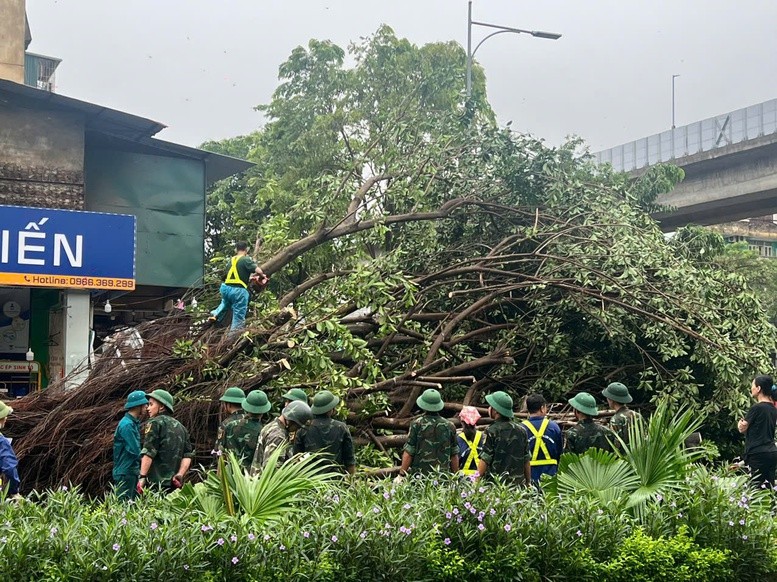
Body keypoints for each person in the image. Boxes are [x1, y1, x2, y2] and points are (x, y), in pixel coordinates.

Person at [138, 389, 194, 494]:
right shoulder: (182, 428)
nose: (148, 408)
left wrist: (142, 476)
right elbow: (187, 455)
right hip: (174, 485)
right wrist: (180, 474)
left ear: (162, 407)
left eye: (151, 404)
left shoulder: (154, 423)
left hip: (155, 483)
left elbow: (148, 452)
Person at [209, 241, 267, 333]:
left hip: (225, 289)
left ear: (236, 249)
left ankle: (215, 313)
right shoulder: (246, 259)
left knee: (225, 303)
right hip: (238, 292)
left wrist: (249, 278)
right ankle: (231, 340)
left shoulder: (231, 260)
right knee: (238, 317)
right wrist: (263, 276)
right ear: (246, 249)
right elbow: (258, 270)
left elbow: (233, 276)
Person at [399, 389, 459, 477]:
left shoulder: (417, 424)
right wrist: (455, 476)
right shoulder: (450, 426)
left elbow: (409, 452)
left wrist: (401, 474)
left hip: (419, 478)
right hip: (442, 478)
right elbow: (454, 454)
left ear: (423, 405)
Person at [294, 390, 356, 475]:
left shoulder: (303, 429)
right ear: (330, 410)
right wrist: (351, 482)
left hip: (309, 481)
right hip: (335, 480)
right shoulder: (341, 428)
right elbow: (349, 460)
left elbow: (296, 459)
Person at [477, 391, 531, 484]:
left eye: (491, 406)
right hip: (517, 486)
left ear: (496, 410)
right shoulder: (521, 431)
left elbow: (485, 459)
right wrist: (528, 482)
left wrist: (476, 482)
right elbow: (526, 460)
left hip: (497, 486)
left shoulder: (491, 431)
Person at [251, 399, 312, 475]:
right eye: (297, 426)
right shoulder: (278, 436)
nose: (297, 429)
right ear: (290, 421)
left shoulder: (272, 426)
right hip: (268, 485)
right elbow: (271, 471)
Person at [737, 375, 777, 488]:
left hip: (757, 454)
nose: (751, 388)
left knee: (755, 489)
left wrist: (739, 424)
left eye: (752, 386)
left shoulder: (757, 408)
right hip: (772, 452)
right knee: (769, 487)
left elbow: (742, 428)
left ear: (758, 389)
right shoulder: (773, 409)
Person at [220, 390, 270, 471]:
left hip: (230, 474)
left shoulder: (230, 426)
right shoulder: (264, 431)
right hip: (250, 479)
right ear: (264, 410)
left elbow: (221, 455)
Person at [112, 390, 148, 500]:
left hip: (130, 472)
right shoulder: (127, 425)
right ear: (138, 406)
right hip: (126, 473)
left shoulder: (132, 423)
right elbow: (135, 450)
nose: (147, 407)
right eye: (145, 404)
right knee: (124, 508)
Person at [521, 393, 563, 485]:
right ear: (542, 408)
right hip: (551, 476)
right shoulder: (554, 427)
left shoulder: (521, 428)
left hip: (529, 477)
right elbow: (560, 452)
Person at [214, 386, 246, 454]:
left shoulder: (225, 424)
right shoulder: (252, 421)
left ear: (228, 404)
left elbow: (219, 451)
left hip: (231, 463)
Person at [456, 406, 485, 476]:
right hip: (480, 477)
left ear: (462, 421)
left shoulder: (458, 439)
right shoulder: (482, 437)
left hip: (463, 478)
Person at [0, 401, 20, 497]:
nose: (6, 418)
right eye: (4, 416)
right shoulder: (1, 442)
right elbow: (9, 468)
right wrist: (13, 491)